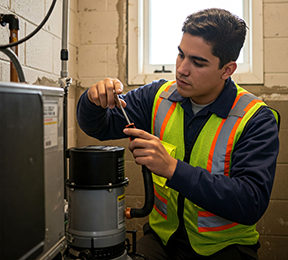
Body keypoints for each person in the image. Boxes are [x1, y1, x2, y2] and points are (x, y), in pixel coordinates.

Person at [77, 8, 280, 260]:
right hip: (162, 241)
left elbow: (250, 202)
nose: (182, 69)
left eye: (198, 62)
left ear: (227, 70)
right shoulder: (157, 96)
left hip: (225, 248)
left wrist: (173, 169)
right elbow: (98, 126)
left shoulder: (256, 118)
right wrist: (91, 99)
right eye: (180, 55)